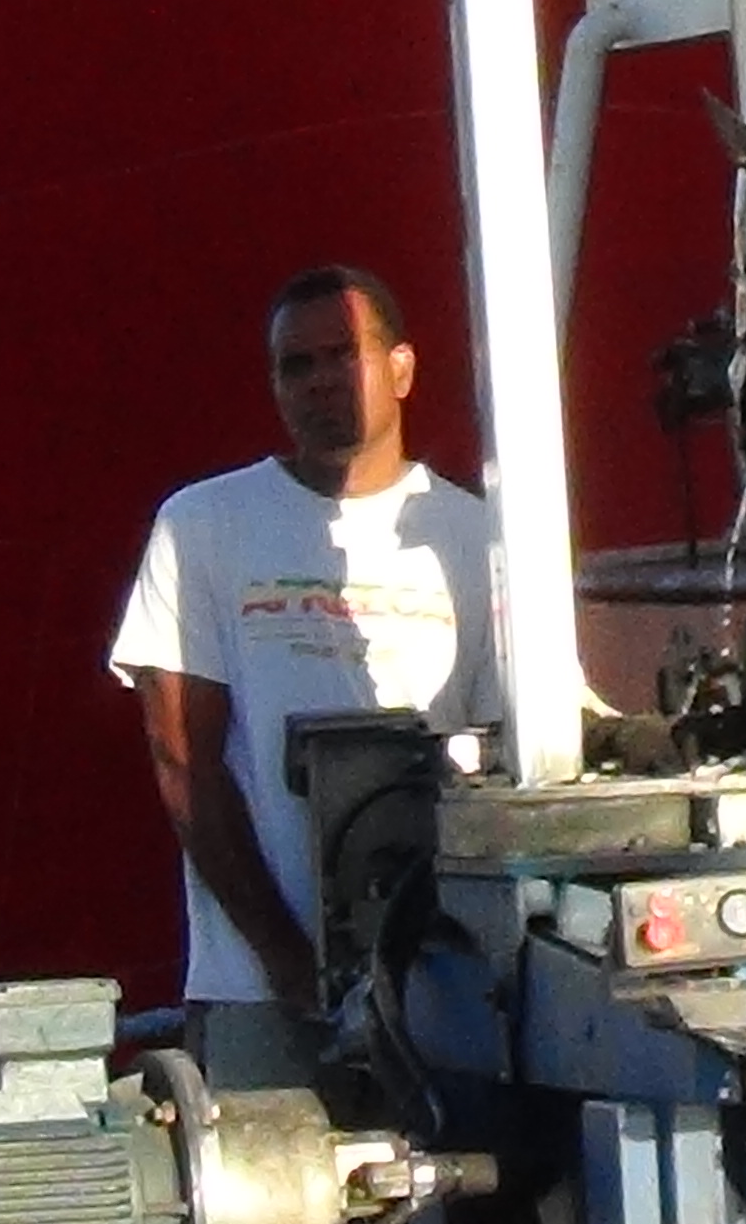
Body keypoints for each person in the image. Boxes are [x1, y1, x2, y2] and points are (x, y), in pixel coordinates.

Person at [110, 266, 498, 1090]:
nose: (322, 380)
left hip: (450, 988)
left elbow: (514, 759)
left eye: (343, 355)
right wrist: (287, 960)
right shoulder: (203, 525)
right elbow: (182, 759)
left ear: (401, 367)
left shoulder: (480, 539)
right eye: (298, 364)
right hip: (257, 989)